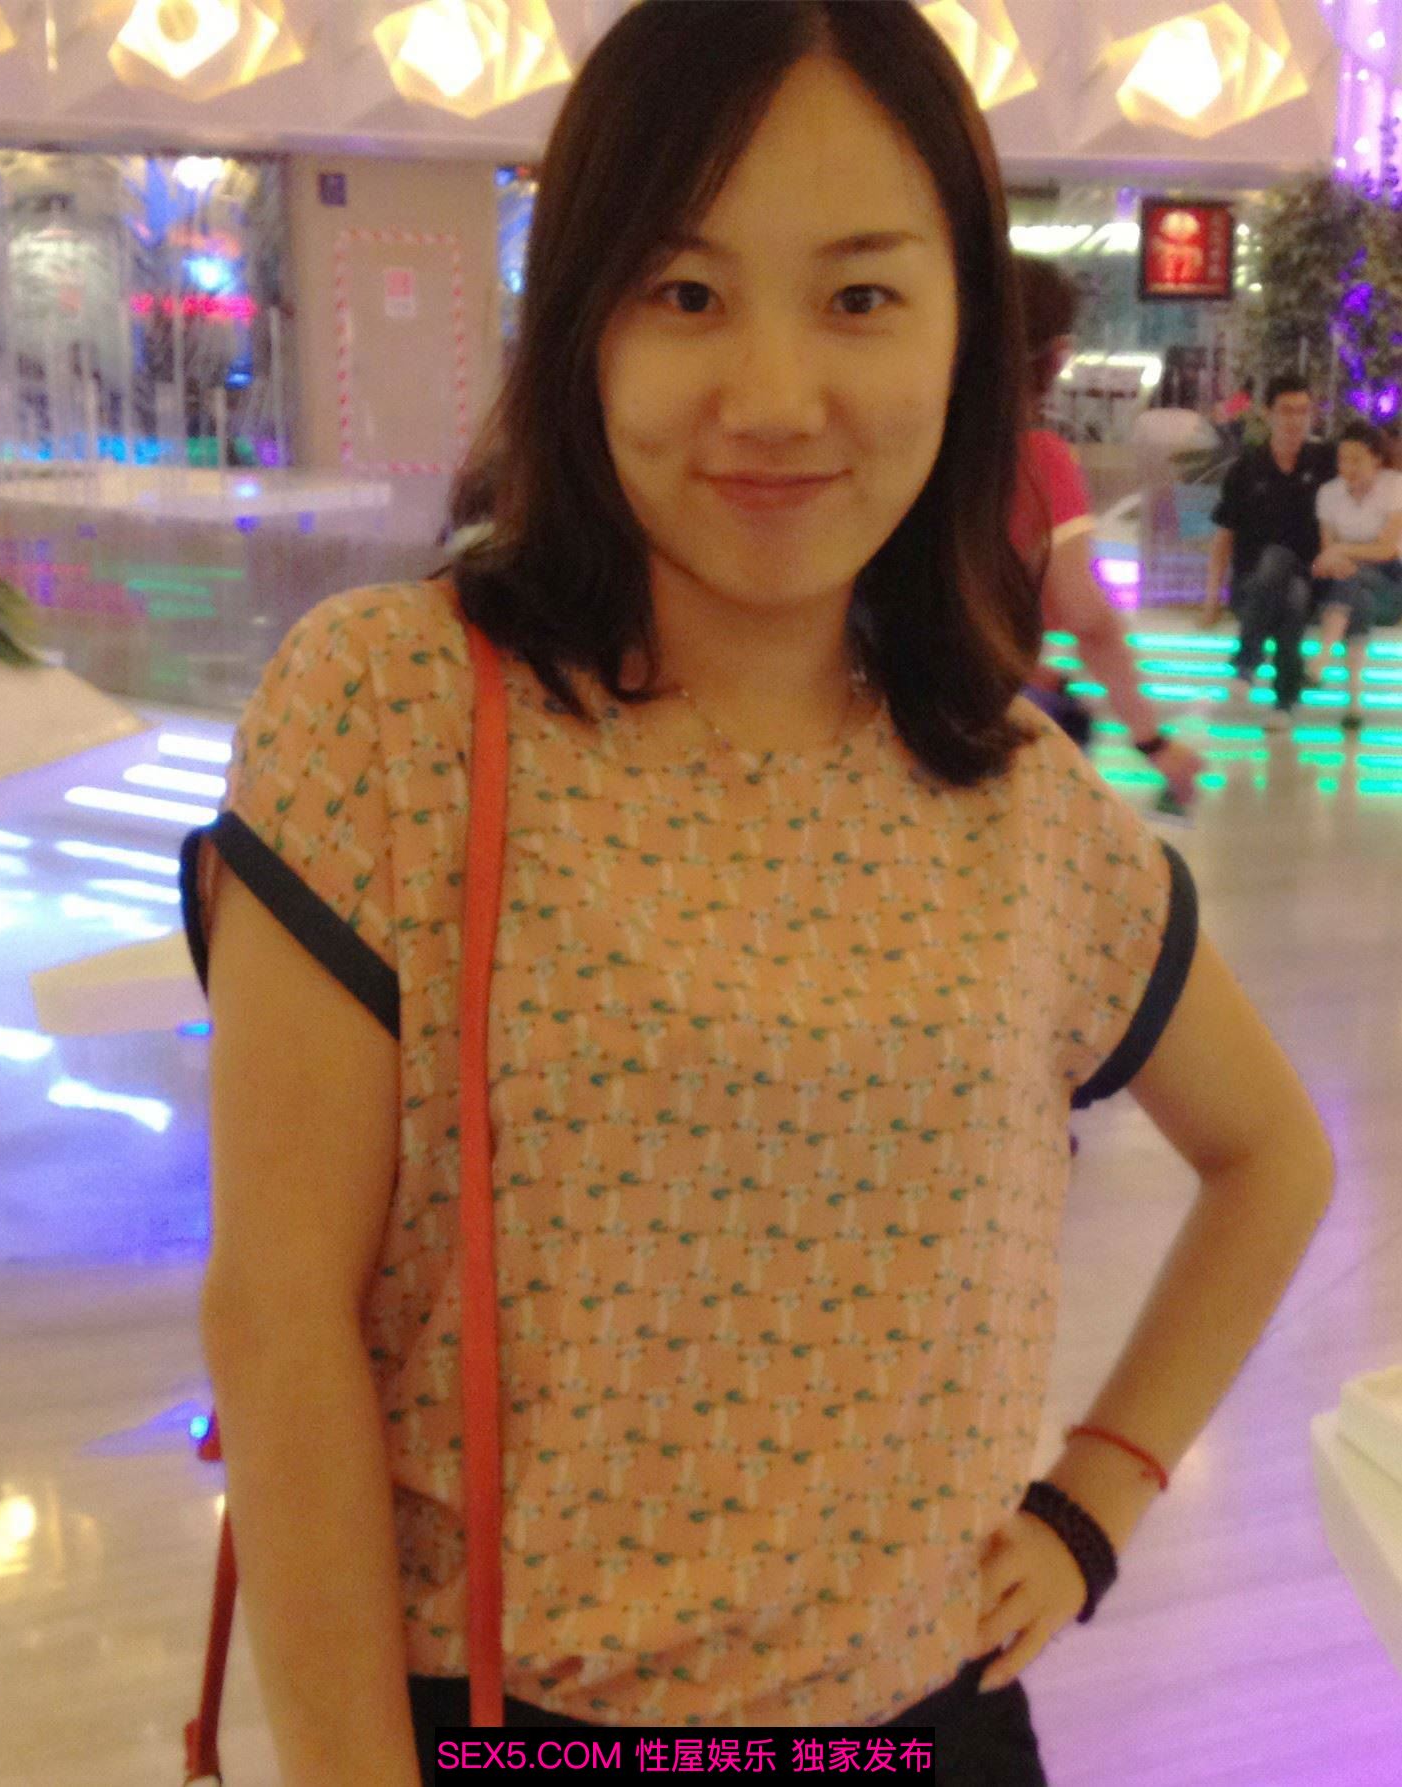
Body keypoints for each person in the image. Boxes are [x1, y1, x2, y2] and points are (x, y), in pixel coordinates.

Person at [181, 6, 1333, 1785]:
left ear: (962, 335)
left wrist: (1097, 1494)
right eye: (686, 292)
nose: (778, 397)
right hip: (512, 1727)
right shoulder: (392, 714)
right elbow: (280, 1320)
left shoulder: (1019, 799)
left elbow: (1272, 1156)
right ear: (582, 321)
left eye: (860, 295)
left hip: (927, 1728)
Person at [1012, 256, 1204, 809]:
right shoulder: (1039, 462)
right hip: (986, 733)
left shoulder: (907, 452)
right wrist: (1152, 740)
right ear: (1058, 355)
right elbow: (1086, 616)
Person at [1201, 374, 1336, 726]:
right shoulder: (1245, 469)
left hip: (1310, 578)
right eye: (1287, 410)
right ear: (1267, 413)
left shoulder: (1325, 462)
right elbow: (1224, 537)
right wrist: (1212, 597)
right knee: (1284, 581)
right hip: (1252, 585)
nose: (1296, 420)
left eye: (1303, 411)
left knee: (1290, 578)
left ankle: (1246, 663)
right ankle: (1285, 702)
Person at [1310, 418, 1402, 729]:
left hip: (1389, 582)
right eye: (1342, 459)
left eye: (1356, 460)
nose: (1347, 467)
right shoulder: (1328, 493)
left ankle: (1324, 657)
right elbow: (1329, 555)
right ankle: (1354, 703)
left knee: (1353, 579)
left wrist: (1342, 550)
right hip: (1348, 585)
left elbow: (1386, 550)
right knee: (1356, 595)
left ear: (1376, 459)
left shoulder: (1395, 486)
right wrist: (1338, 555)